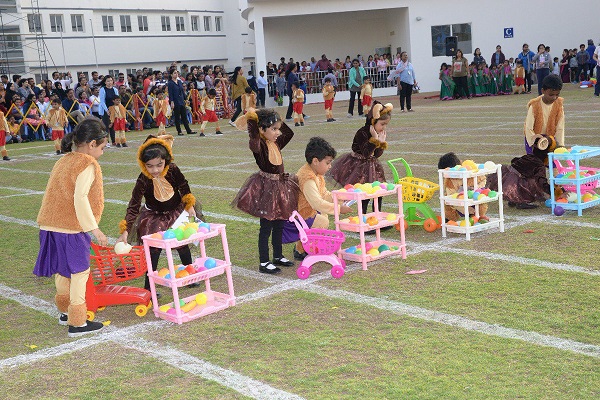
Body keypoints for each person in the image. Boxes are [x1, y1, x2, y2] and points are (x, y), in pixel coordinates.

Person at [33, 118, 108, 337]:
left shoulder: (63, 160)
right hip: (70, 227)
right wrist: (94, 228)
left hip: (49, 224)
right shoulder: (87, 164)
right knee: (79, 272)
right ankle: (77, 321)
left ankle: (65, 311)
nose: (102, 153)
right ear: (92, 144)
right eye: (102, 148)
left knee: (62, 269)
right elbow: (80, 198)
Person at [117, 134, 202, 291]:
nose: (155, 170)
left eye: (159, 165)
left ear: (166, 161)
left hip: (175, 212)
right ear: (143, 165)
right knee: (153, 250)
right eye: (149, 166)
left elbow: (183, 185)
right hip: (153, 217)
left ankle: (190, 276)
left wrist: (189, 204)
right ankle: (149, 287)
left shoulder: (173, 170)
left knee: (182, 244)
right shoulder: (143, 179)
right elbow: (134, 204)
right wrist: (126, 229)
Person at [231, 108, 298, 274]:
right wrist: (253, 120)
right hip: (266, 189)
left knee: (280, 222)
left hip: (280, 187)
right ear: (262, 130)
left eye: (277, 128)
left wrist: (272, 115)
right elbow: (253, 138)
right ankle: (264, 261)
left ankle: (278, 255)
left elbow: (288, 133)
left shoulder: (276, 142)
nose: (278, 132)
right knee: (266, 226)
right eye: (273, 129)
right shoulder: (259, 144)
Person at [282, 137, 352, 260]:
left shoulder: (316, 174)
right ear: (315, 161)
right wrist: (339, 209)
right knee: (322, 221)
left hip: (305, 212)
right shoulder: (308, 178)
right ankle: (303, 249)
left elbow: (324, 194)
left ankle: (302, 247)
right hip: (299, 216)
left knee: (323, 216)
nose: (330, 166)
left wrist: (340, 197)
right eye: (328, 162)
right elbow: (317, 203)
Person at [329, 101, 392, 215]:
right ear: (373, 121)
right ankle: (362, 218)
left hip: (372, 166)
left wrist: (381, 143)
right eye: (382, 124)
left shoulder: (377, 133)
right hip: (359, 166)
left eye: (386, 124)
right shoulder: (362, 132)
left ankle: (377, 215)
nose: (384, 127)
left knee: (378, 191)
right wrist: (375, 140)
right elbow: (366, 153)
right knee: (364, 193)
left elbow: (376, 155)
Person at [488, 138, 562, 209]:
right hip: (516, 181)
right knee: (532, 182)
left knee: (525, 177)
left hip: (508, 175)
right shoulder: (539, 165)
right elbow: (542, 182)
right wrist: (554, 191)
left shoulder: (529, 156)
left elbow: (514, 161)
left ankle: (513, 199)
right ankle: (521, 201)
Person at [438, 152, 488, 221]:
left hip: (473, 199)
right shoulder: (450, 181)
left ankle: (477, 216)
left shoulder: (470, 171)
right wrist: (468, 210)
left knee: (480, 202)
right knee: (447, 201)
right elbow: (452, 198)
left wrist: (477, 187)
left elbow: (483, 179)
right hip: (459, 203)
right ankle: (450, 218)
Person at [523, 74, 564, 155]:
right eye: (551, 95)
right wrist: (534, 142)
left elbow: (560, 127)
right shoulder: (534, 105)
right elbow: (528, 127)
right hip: (533, 140)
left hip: (549, 140)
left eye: (557, 94)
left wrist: (560, 144)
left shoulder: (559, 105)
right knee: (535, 164)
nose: (554, 97)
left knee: (552, 164)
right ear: (543, 91)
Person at [168, 69, 196, 136]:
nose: (176, 74)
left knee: (184, 116)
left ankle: (188, 130)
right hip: (175, 101)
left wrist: (185, 99)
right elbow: (170, 93)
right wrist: (172, 102)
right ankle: (179, 131)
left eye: (176, 73)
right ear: (171, 75)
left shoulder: (179, 82)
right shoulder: (170, 83)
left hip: (181, 101)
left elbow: (182, 91)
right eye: (174, 73)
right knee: (177, 117)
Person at [98, 76, 119, 147]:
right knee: (106, 126)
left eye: (111, 81)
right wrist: (107, 110)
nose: (110, 83)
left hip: (113, 109)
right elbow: (102, 101)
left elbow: (117, 100)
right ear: (105, 82)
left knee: (113, 125)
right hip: (105, 110)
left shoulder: (115, 90)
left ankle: (114, 141)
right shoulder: (102, 89)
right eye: (108, 81)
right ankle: (106, 141)